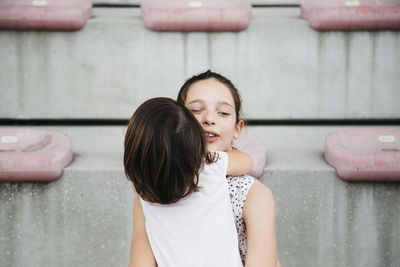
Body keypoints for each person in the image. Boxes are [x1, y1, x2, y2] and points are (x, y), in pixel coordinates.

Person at [124, 97, 252, 267]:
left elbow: (140, 263)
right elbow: (246, 162)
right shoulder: (209, 167)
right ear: (196, 146)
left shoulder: (144, 199)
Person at [177, 70, 281, 266]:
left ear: (237, 128)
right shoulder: (155, 189)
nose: (209, 119)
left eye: (223, 113)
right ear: (176, 122)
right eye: (196, 110)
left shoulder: (252, 194)